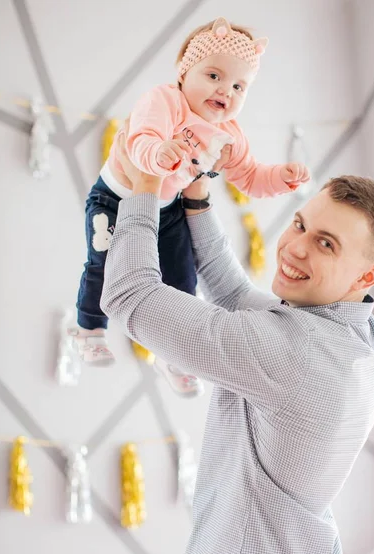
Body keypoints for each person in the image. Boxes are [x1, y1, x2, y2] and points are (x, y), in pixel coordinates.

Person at [100, 124, 374, 554]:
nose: (295, 247)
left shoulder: (297, 354)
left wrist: (144, 185)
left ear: (368, 274)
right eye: (301, 224)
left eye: (327, 244)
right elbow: (236, 295)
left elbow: (129, 296)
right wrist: (197, 197)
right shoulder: (363, 343)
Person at [71, 16, 309, 398]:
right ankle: (88, 328)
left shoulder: (229, 134)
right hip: (115, 198)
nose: (225, 91)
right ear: (185, 71)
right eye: (213, 76)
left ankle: (173, 355)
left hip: (169, 210)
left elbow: (248, 177)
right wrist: (159, 152)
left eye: (238, 86)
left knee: (183, 281)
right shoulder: (164, 101)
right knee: (102, 263)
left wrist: (280, 177)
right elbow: (141, 139)